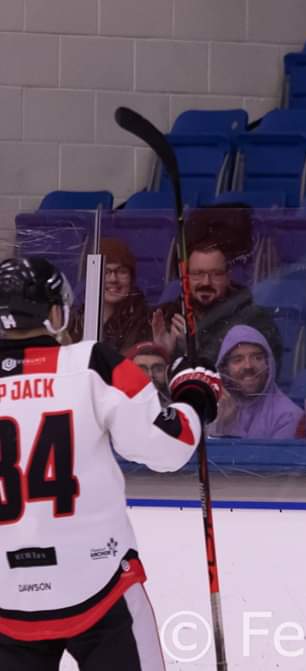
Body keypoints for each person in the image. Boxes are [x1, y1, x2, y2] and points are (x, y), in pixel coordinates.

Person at [0, 256, 221, 671]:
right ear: (54, 313)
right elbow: (169, 447)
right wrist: (195, 393)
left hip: (5, 597)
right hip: (98, 584)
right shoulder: (92, 365)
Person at [153, 240, 281, 367]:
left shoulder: (254, 321)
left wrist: (192, 351)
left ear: (228, 277)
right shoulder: (165, 318)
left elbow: (255, 379)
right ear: (186, 278)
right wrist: (163, 356)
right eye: (198, 274)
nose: (206, 282)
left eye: (216, 274)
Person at [209, 325, 302, 439]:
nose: (248, 366)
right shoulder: (210, 408)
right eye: (238, 360)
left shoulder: (288, 416)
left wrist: (229, 426)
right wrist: (216, 424)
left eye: (257, 358)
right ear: (225, 368)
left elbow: (267, 457)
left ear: (269, 364)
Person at [69, 238, 153, 352]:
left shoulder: (147, 322)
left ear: (132, 278)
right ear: (90, 277)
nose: (113, 279)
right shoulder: (74, 322)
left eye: (121, 271)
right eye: (105, 271)